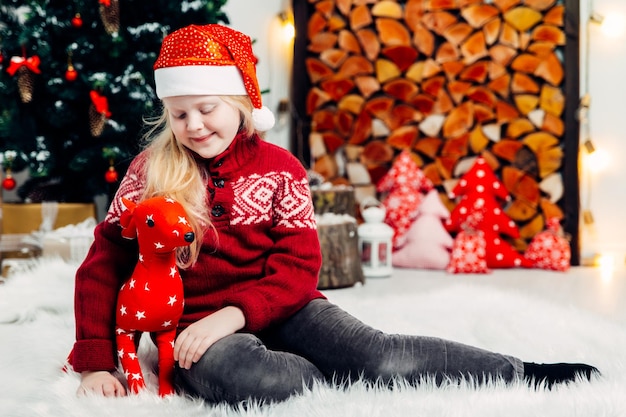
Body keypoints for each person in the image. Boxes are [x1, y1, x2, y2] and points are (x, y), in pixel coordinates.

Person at [68, 23, 599, 403]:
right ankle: (299, 376)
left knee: (379, 357)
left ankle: (519, 371)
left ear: (243, 105)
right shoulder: (149, 171)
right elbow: (102, 266)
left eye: (208, 109)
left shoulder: (281, 169)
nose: (195, 125)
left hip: (286, 306)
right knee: (260, 382)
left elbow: (298, 269)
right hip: (197, 330)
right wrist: (95, 360)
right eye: (180, 113)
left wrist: (241, 311)